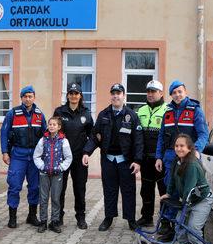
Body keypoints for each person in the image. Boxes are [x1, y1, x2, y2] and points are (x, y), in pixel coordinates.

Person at [83, 83, 144, 231]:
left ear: (124, 96)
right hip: (109, 160)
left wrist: (137, 161)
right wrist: (86, 152)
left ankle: (130, 219)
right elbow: (95, 136)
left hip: (126, 162)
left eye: (119, 93)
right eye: (113, 93)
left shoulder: (132, 116)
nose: (116, 96)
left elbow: (138, 140)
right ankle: (108, 218)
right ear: (111, 96)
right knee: (109, 190)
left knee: (128, 191)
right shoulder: (104, 115)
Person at [154, 80, 209, 241]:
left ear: (185, 92)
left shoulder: (195, 110)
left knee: (190, 194)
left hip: (190, 160)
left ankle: (194, 232)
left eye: (180, 91)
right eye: (174, 92)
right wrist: (159, 157)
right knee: (172, 194)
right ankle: (171, 230)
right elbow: (161, 137)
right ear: (170, 95)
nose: (177, 95)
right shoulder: (168, 112)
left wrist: (196, 150)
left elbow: (203, 134)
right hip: (171, 159)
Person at [161, 134, 213, 244]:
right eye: (177, 146)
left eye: (182, 146)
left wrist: (183, 203)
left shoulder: (192, 165)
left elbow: (189, 188)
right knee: (179, 221)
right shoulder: (177, 161)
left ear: (190, 148)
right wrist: (168, 193)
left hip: (201, 199)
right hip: (189, 199)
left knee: (193, 226)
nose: (179, 148)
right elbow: (172, 180)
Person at [1, 85, 47, 228]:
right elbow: (4, 133)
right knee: (14, 186)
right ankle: (12, 218)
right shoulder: (12, 114)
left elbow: (45, 135)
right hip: (18, 156)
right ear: (21, 98)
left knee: (35, 187)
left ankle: (31, 216)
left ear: (34, 97)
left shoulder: (39, 115)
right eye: (25, 96)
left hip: (34, 157)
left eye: (30, 96)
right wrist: (4, 152)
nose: (28, 99)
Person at [53, 83, 93, 229]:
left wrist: (87, 152)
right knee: (59, 188)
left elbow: (92, 136)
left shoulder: (86, 113)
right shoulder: (59, 112)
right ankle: (58, 217)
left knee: (79, 188)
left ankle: (80, 217)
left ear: (80, 96)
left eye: (76, 93)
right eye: (71, 93)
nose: (74, 96)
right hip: (62, 157)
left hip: (79, 157)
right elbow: (53, 132)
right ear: (67, 95)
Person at [33, 117, 73, 233]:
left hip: (57, 174)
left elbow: (69, 157)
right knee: (43, 198)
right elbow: (36, 156)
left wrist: (61, 168)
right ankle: (43, 222)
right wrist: (42, 166)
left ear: (59, 127)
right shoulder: (43, 140)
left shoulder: (63, 141)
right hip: (44, 174)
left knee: (55, 198)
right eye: (50, 124)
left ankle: (54, 222)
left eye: (54, 124)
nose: (51, 126)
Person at [135, 80, 167, 227]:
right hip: (146, 159)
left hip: (161, 159)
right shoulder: (140, 111)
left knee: (164, 191)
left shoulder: (168, 110)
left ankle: (166, 221)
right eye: (148, 91)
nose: (150, 94)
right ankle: (147, 217)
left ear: (161, 93)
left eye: (153, 91)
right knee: (146, 190)